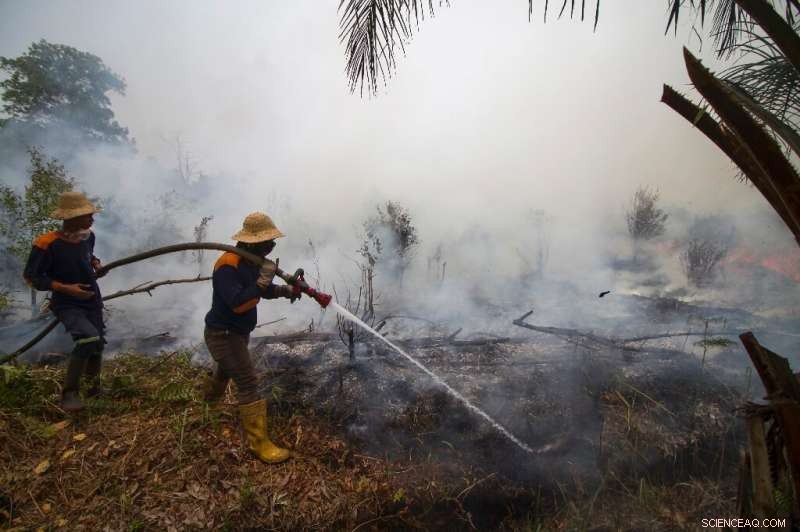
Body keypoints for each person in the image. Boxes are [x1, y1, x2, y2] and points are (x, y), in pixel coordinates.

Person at [203, 212, 302, 464]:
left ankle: (206, 409)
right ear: (252, 242)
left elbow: (262, 290)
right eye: (268, 242)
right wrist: (262, 281)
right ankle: (260, 444)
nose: (272, 246)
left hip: (236, 333)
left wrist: (283, 289)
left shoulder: (250, 262)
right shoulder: (228, 265)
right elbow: (238, 302)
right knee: (247, 382)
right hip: (223, 334)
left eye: (273, 242)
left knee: (226, 371)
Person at [23, 191, 105, 413]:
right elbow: (32, 277)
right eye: (88, 215)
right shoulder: (46, 243)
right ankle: (69, 393)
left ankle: (92, 389)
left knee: (97, 344)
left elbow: (89, 255)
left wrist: (96, 264)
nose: (92, 219)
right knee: (88, 338)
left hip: (92, 299)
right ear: (72, 217)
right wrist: (66, 288)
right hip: (67, 303)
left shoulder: (88, 236)